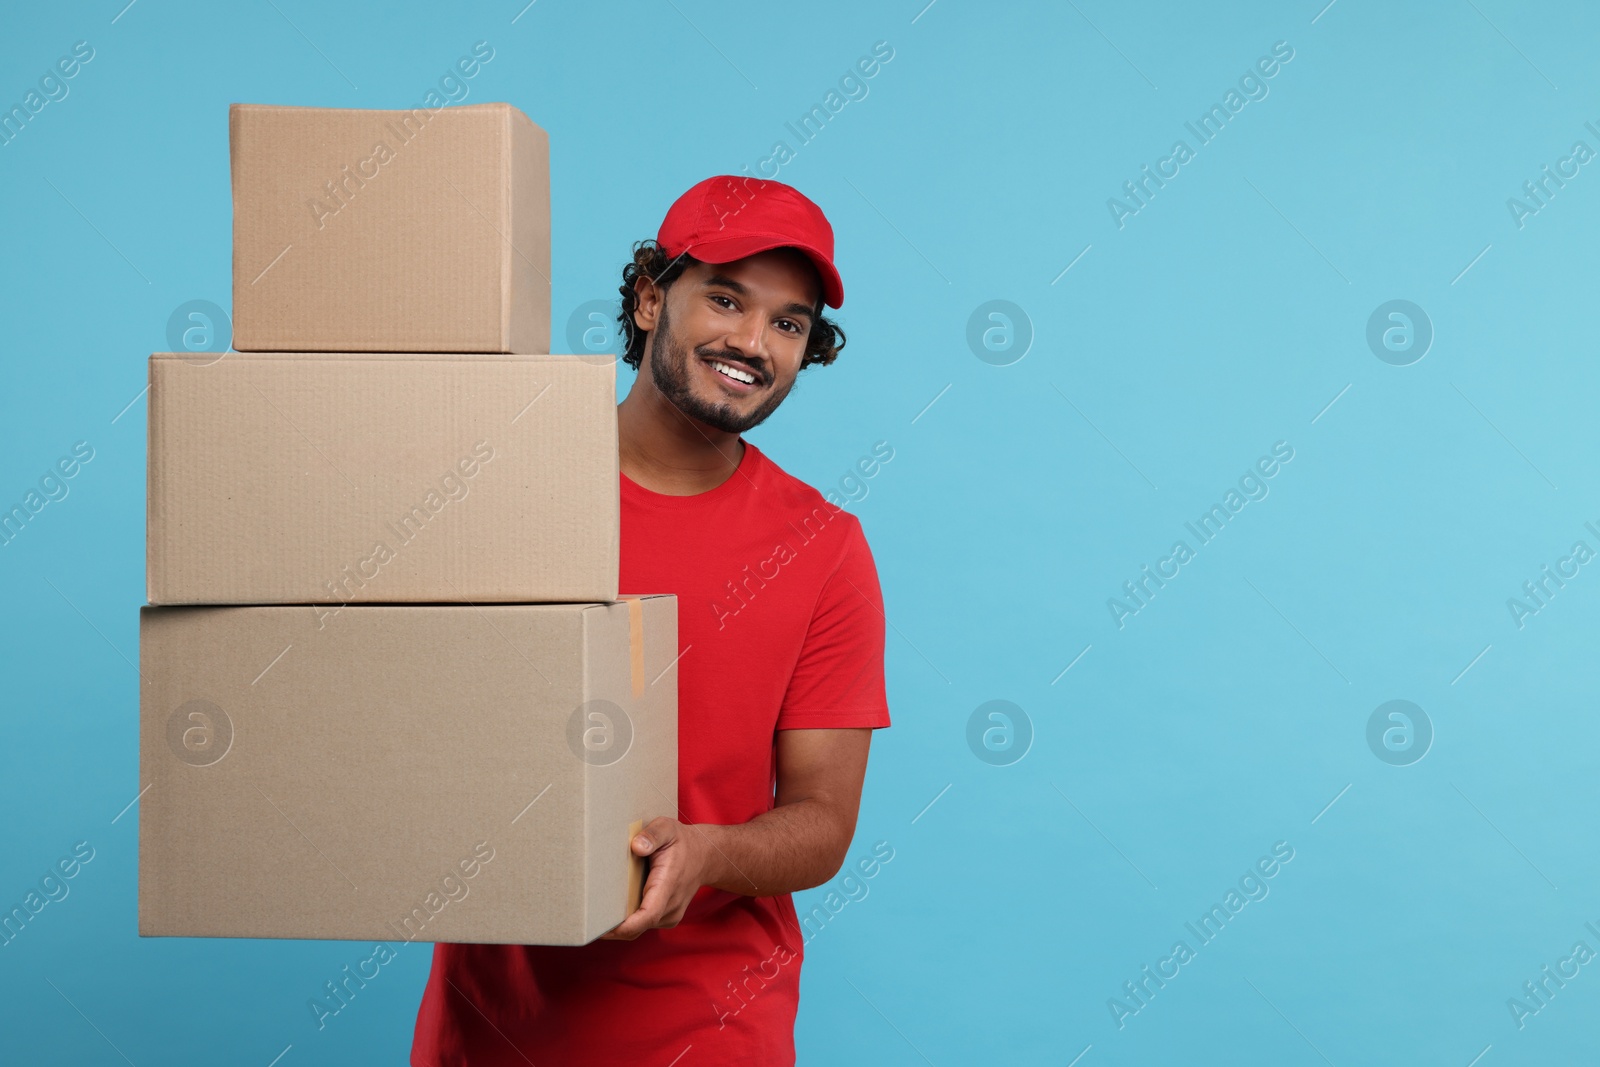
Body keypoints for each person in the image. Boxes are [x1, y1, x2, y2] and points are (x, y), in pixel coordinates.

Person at [410, 175, 892, 1065]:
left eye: (788, 323)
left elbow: (824, 818)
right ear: (646, 299)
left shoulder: (824, 549)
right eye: (725, 297)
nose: (753, 341)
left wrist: (706, 852)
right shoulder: (506, 488)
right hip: (489, 1028)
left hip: (709, 1031)